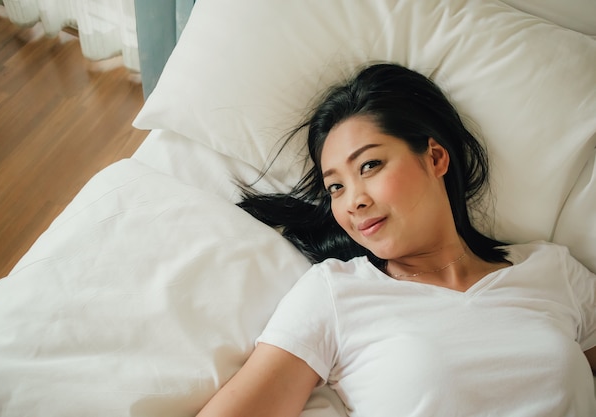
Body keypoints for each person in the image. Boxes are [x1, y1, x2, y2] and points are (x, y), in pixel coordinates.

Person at [196, 63, 596, 416]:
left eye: (369, 165)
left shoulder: (552, 270)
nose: (354, 200)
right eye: (335, 187)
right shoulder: (335, 294)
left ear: (436, 157)